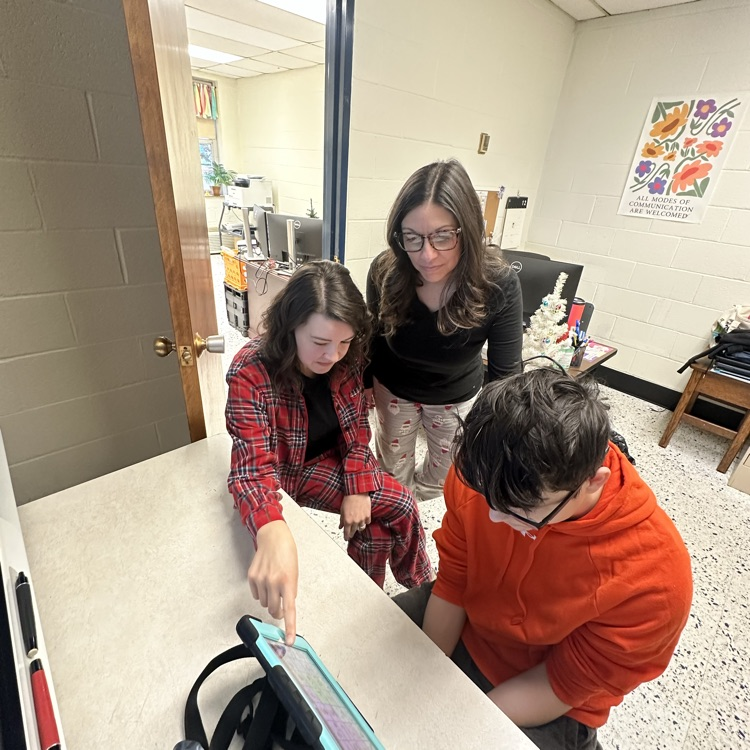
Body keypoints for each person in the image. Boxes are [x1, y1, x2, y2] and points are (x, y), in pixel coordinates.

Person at [393, 368, 692, 750]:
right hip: (470, 617)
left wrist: (450, 723)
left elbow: (560, 684)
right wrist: (421, 679)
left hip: (551, 691)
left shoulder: (655, 579)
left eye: (519, 510)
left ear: (592, 482)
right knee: (361, 660)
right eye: (486, 498)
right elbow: (454, 584)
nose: (492, 517)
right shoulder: (484, 475)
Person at [226, 261, 433, 644]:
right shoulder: (251, 370)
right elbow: (249, 470)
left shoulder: (348, 359)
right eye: (320, 343)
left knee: (375, 526)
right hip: (290, 471)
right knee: (401, 503)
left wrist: (357, 486)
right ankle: (422, 591)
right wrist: (271, 528)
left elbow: (356, 429)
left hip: (334, 460)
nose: (332, 356)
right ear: (290, 328)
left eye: (344, 342)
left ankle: (367, 601)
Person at [366, 158, 523, 502]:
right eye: (412, 237)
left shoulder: (497, 282)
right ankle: (399, 516)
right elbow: (373, 339)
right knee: (392, 475)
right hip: (394, 389)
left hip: (455, 395)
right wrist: (363, 386)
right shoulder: (385, 270)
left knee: (443, 478)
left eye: (442, 236)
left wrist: (493, 435)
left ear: (466, 230)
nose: (427, 254)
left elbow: (506, 375)